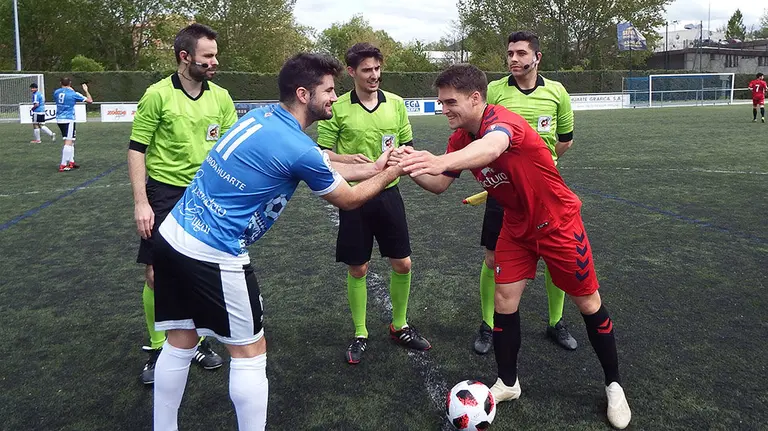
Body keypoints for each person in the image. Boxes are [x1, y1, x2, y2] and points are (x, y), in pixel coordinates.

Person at [151, 52, 407, 431]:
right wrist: (394, 172)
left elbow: (317, 161)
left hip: (173, 235)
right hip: (214, 251)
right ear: (304, 95)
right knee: (250, 353)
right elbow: (349, 198)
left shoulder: (264, 116)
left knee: (180, 340)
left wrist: (373, 167)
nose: (334, 97)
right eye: (329, 90)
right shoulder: (296, 146)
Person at [392, 64, 631, 429]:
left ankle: (614, 385)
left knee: (588, 302)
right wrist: (407, 167)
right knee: (505, 301)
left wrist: (438, 160)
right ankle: (508, 382)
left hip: (558, 223)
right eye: (440, 102)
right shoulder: (459, 139)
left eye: (450, 102)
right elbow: (440, 185)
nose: (444, 109)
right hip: (517, 227)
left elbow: (493, 147)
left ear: (475, 99)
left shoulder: (503, 122)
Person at [128, 23, 236, 385]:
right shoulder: (157, 95)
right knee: (158, 275)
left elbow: (230, 151)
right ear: (184, 57)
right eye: (207, 56)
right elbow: (136, 150)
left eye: (215, 55)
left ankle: (200, 341)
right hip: (164, 194)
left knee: (201, 270)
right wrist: (142, 203)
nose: (214, 62)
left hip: (206, 195)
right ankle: (158, 347)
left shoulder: (221, 97)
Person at [317, 42, 430, 364]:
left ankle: (400, 325)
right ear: (351, 72)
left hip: (389, 193)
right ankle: (360, 332)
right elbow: (323, 154)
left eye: (378, 69)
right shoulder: (338, 106)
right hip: (354, 197)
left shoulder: (395, 104)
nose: (374, 75)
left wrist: (402, 155)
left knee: (403, 263)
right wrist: (346, 157)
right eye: (367, 70)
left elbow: (407, 144)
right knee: (359, 267)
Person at [472, 31, 577, 354]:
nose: (514, 59)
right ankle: (488, 325)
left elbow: (565, 139)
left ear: (537, 57)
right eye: (510, 54)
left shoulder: (557, 92)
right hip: (503, 191)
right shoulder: (494, 91)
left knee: (554, 259)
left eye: (520, 53)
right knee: (493, 257)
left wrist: (538, 168)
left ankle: (555, 322)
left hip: (546, 195)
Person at [53, 78, 92, 172]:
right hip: (69, 119)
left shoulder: (56, 92)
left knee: (71, 140)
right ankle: (63, 164)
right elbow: (90, 100)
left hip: (59, 119)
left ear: (60, 83)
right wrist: (86, 90)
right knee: (68, 141)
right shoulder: (74, 94)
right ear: (70, 83)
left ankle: (71, 161)